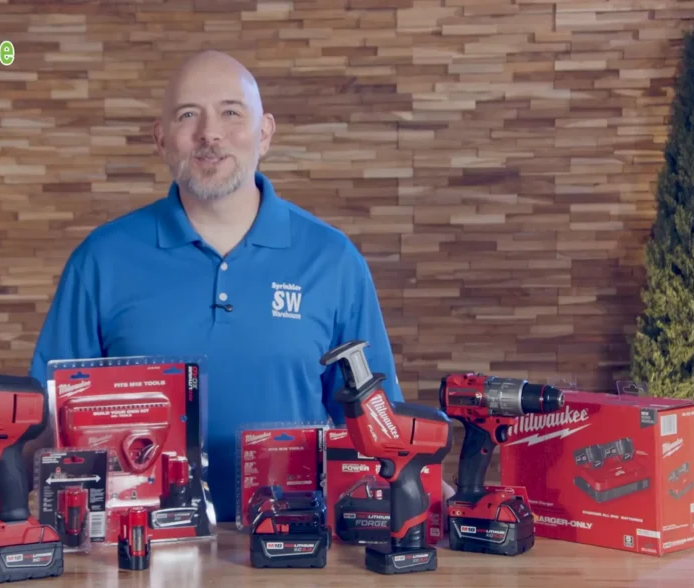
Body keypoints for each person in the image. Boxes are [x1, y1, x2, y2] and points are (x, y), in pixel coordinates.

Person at [29, 50, 420, 523]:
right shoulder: (101, 259)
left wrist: (413, 494)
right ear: (161, 138)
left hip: (295, 538)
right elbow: (47, 422)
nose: (209, 133)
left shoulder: (332, 259)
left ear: (265, 133)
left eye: (231, 112)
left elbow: (377, 425)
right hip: (138, 541)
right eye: (187, 115)